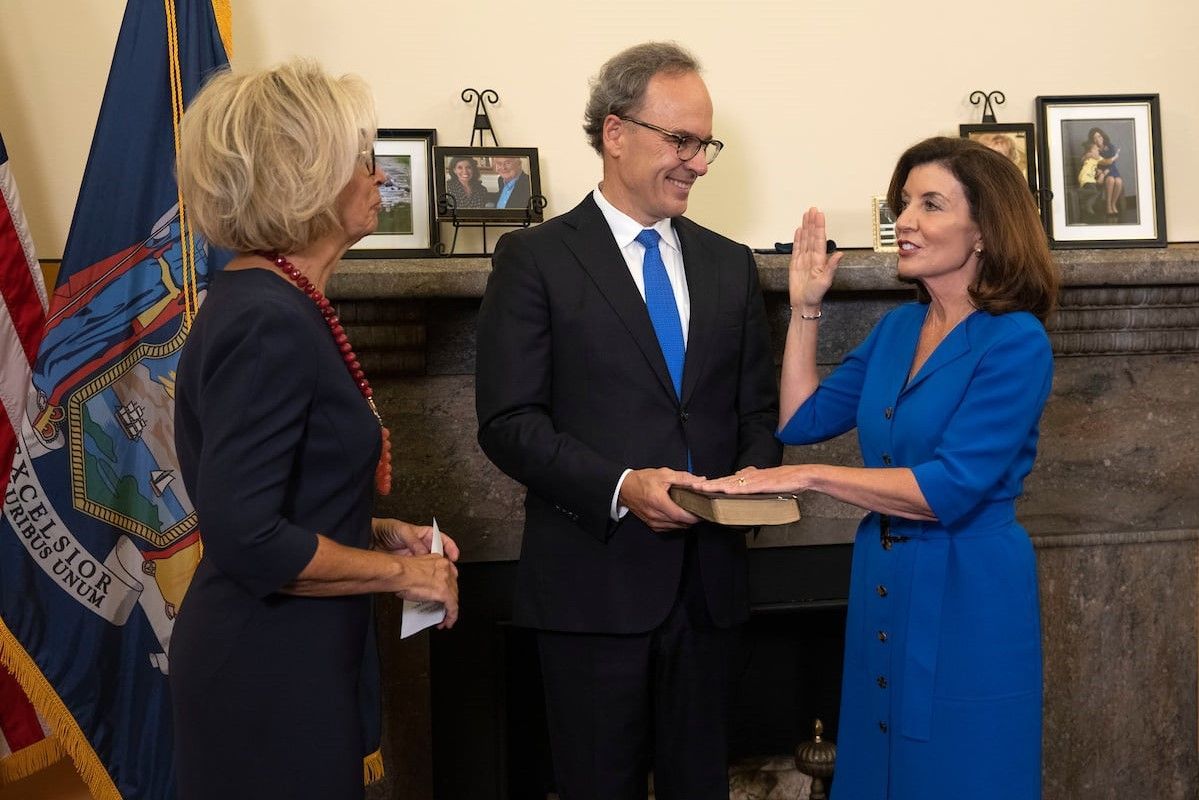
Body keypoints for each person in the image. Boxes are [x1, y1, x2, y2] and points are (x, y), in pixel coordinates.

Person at [701, 136, 1059, 800]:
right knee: (878, 764)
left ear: (984, 229)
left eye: (930, 204)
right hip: (884, 574)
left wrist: (808, 477)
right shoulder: (898, 329)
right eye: (903, 204)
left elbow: (947, 489)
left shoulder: (1016, 343)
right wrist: (805, 305)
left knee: (962, 771)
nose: (906, 221)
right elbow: (800, 419)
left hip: (970, 587)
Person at [475, 42, 780, 800]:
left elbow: (754, 411)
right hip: (591, 589)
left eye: (704, 144)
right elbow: (508, 421)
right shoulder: (534, 258)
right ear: (615, 132)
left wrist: (749, 484)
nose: (698, 163)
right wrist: (622, 486)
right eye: (681, 140)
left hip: (709, 593)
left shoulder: (730, 265)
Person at [171, 59, 460, 800]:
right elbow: (245, 535)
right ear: (305, 178)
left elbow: (283, 495)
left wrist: (376, 531)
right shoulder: (267, 320)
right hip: (264, 673)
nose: (380, 177)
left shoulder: (280, 300)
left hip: (295, 659)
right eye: (362, 161)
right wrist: (405, 575)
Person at [1089, 127, 1124, 217]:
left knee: (1119, 181)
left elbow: (1113, 162)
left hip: (1111, 169)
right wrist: (1099, 171)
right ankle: (1108, 206)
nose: (1098, 139)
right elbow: (1093, 163)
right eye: (1095, 138)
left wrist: (1105, 171)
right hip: (1100, 172)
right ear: (1092, 140)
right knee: (1110, 180)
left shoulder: (1110, 146)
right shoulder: (1093, 149)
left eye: (1099, 136)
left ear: (1103, 136)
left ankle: (1113, 204)